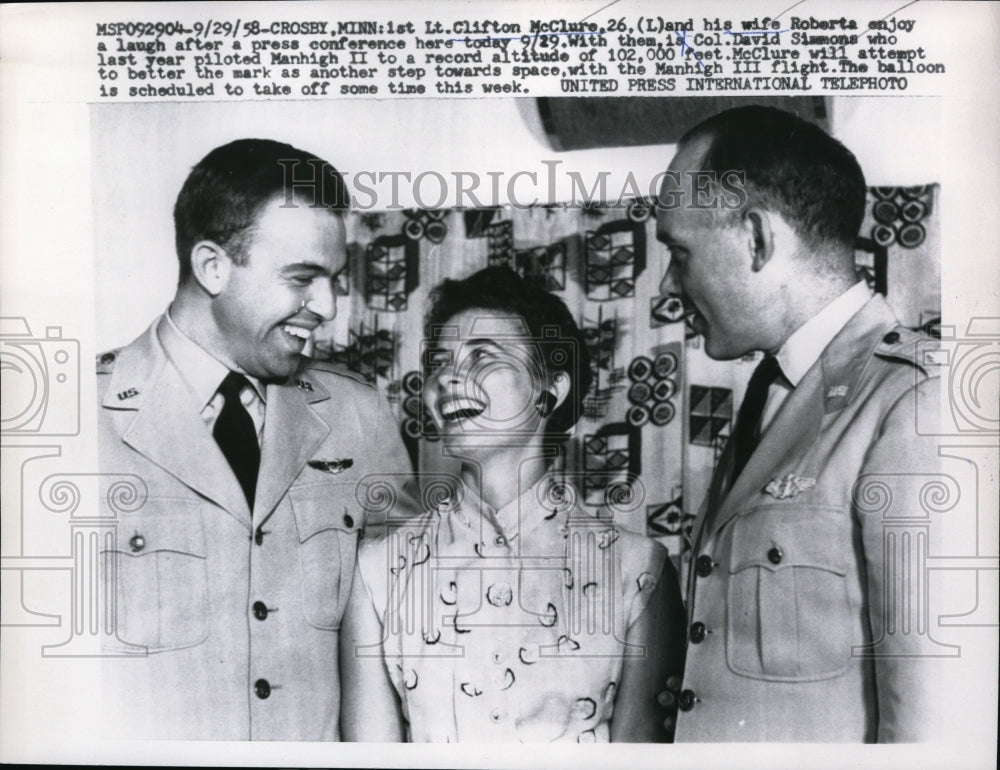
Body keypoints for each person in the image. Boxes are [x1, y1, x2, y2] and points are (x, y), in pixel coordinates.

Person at [97, 138, 415, 740]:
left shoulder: (360, 416)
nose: (327, 307)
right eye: (302, 278)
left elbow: (402, 650)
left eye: (334, 280)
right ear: (213, 267)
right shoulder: (77, 418)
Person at [655, 106, 943, 742]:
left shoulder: (913, 402)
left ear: (757, 238)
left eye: (679, 251)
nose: (668, 282)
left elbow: (931, 721)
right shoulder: (773, 393)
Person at [340, 266, 686, 742]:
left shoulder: (639, 571)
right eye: (439, 362)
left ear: (551, 388)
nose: (447, 380)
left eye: (482, 356)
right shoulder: (378, 569)